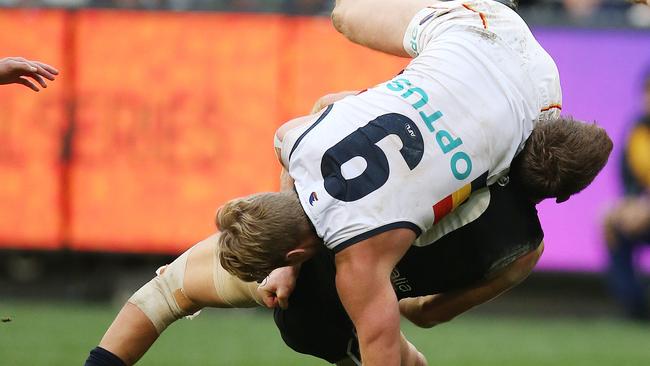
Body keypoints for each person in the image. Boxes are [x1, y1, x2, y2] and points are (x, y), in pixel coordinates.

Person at [216, 1, 611, 363]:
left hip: (491, 41)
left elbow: (323, 110)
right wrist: (381, 296)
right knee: (168, 296)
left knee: (342, 17)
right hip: (488, 57)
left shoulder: (514, 145)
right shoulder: (521, 246)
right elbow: (425, 315)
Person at [603, 72, 650, 320]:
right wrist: (627, 206)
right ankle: (634, 307)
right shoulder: (637, 130)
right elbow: (628, 179)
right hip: (640, 211)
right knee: (609, 222)